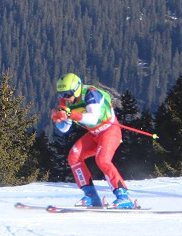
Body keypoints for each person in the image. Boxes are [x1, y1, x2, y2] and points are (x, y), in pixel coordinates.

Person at [51, 73, 135, 209]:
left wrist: (70, 114)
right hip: (94, 134)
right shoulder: (65, 102)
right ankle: (91, 195)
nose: (65, 98)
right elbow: (65, 128)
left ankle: (124, 197)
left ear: (77, 88)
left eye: (67, 93)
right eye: (61, 94)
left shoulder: (91, 94)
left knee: (102, 160)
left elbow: (93, 119)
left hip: (110, 130)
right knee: (74, 156)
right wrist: (58, 121)